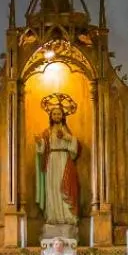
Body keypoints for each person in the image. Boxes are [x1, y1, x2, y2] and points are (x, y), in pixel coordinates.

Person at [35, 94, 80, 233]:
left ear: (62, 116)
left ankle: (67, 216)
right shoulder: (47, 132)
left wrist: (66, 137)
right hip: (52, 160)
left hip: (64, 160)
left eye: (58, 114)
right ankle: (53, 216)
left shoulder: (66, 130)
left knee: (64, 187)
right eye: (54, 114)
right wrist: (39, 142)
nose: (56, 116)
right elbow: (42, 149)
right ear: (51, 116)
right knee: (53, 187)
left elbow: (74, 144)